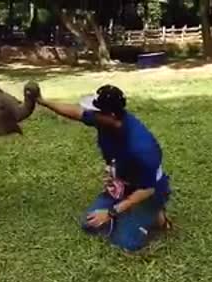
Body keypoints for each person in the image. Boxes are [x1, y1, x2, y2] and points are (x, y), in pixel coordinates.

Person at [37, 85, 172, 254]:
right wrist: (43, 101)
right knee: (89, 224)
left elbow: (148, 189)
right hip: (123, 183)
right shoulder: (104, 120)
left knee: (124, 243)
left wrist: (110, 213)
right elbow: (75, 112)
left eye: (95, 111)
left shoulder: (141, 147)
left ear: (111, 115)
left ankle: (156, 214)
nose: (90, 114)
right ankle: (129, 215)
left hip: (147, 191)